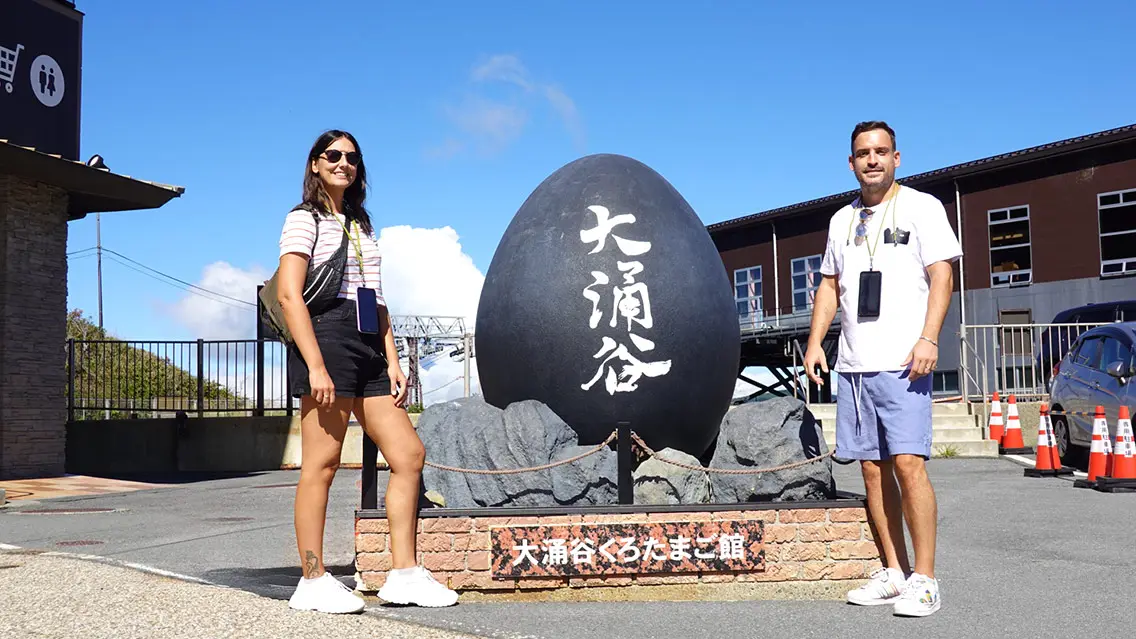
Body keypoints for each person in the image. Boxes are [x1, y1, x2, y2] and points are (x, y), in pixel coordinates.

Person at [276, 129, 458, 612]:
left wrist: (394, 360)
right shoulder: (303, 219)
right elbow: (290, 295)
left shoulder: (361, 223)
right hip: (327, 339)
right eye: (332, 156)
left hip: (367, 343)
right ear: (314, 164)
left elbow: (376, 299)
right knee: (322, 463)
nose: (343, 164)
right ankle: (312, 580)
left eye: (352, 158)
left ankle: (404, 574)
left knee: (408, 454)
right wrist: (315, 363)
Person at [803, 121, 961, 618]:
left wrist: (928, 337)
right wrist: (815, 343)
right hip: (853, 365)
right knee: (872, 472)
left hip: (904, 363)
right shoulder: (840, 221)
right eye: (862, 153)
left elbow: (942, 275)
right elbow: (830, 287)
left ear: (897, 158)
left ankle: (926, 579)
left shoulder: (922, 208)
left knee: (909, 465)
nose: (872, 160)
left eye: (880, 151)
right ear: (850, 163)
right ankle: (894, 571)